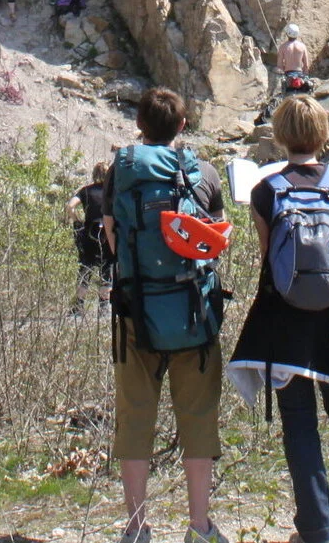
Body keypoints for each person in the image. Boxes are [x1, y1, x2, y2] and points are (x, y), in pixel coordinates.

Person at [228, 95, 329, 543]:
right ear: (322, 133)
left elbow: (268, 259)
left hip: (285, 319)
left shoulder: (266, 190)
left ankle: (316, 529)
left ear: (281, 136)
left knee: (299, 422)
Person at [103, 87, 228, 543]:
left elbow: (113, 239)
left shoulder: (123, 170)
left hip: (136, 312)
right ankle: (198, 526)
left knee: (135, 416)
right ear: (182, 126)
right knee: (198, 417)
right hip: (194, 314)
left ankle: (136, 528)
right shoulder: (204, 172)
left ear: (140, 126)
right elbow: (215, 242)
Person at [67, 161, 113, 318]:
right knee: (106, 270)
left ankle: (78, 308)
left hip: (89, 235)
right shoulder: (113, 192)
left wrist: (77, 221)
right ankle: (104, 308)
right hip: (108, 236)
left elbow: (70, 206)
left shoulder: (85, 191)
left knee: (85, 269)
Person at [277, 23, 310, 94]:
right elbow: (306, 65)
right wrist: (305, 77)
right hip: (300, 76)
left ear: (287, 33)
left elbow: (279, 65)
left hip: (288, 76)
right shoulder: (302, 46)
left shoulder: (283, 47)